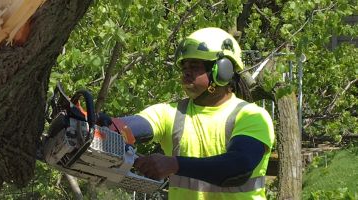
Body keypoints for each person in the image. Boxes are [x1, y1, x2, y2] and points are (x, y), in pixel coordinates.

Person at [111, 27, 275, 199]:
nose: (186, 73)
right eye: (184, 68)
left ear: (223, 70)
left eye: (195, 66)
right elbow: (129, 126)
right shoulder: (171, 113)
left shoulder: (252, 116)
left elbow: (238, 167)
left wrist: (175, 164)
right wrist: (102, 125)